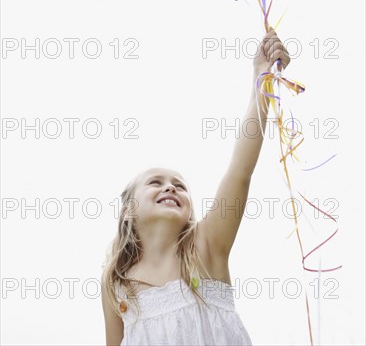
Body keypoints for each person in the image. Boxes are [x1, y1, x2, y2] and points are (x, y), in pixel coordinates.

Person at [101, 27, 290, 346]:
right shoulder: (116, 285)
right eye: (155, 183)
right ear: (130, 209)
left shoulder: (205, 247)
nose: (170, 188)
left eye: (179, 185)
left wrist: (260, 79)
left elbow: (240, 170)